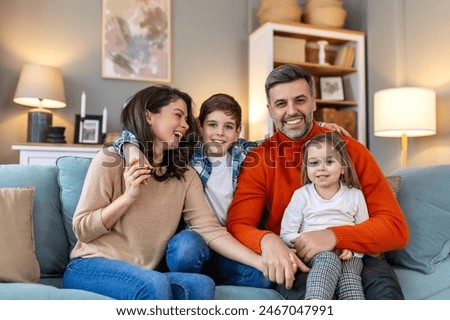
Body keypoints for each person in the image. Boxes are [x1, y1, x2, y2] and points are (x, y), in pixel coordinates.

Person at [114, 93, 348, 288]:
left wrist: (319, 129)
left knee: (266, 278)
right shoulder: (186, 152)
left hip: (233, 242)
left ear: (237, 132)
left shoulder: (245, 153)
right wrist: (131, 151)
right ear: (200, 127)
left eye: (228, 127)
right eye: (212, 125)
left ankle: (211, 279)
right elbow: (130, 135)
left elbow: (286, 142)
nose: (220, 133)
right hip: (197, 239)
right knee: (184, 250)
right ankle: (192, 281)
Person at [62, 85, 269, 300]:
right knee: (154, 285)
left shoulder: (184, 174)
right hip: (91, 266)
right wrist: (128, 197)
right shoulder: (111, 160)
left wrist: (259, 262)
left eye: (187, 119)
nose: (185, 125)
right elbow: (82, 230)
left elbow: (210, 230)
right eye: (178, 115)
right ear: (148, 116)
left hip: (146, 273)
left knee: (202, 285)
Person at [226, 64, 409, 299]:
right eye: (281, 104)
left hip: (354, 256)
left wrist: (333, 235)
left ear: (314, 102)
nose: (291, 111)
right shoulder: (260, 158)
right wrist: (268, 239)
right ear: (270, 110)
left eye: (300, 100)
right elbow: (238, 225)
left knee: (385, 296)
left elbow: (395, 228)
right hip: (299, 257)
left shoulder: (350, 149)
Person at [280, 132, 368, 300]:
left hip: (348, 255)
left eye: (329, 161)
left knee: (350, 280)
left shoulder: (355, 195)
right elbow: (286, 234)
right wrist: (308, 242)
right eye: (314, 163)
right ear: (307, 168)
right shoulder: (302, 195)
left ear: (343, 167)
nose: (321, 168)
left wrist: (353, 249)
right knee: (328, 259)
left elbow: (364, 232)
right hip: (316, 254)